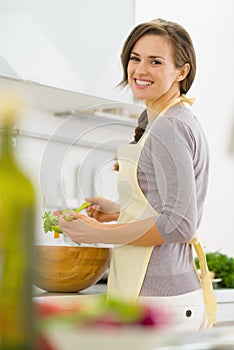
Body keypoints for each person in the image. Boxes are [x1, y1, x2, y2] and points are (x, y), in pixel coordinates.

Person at [58, 18, 216, 331]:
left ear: (182, 71)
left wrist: (97, 234)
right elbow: (166, 208)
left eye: (155, 61)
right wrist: (118, 211)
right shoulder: (159, 120)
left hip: (160, 299)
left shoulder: (170, 127)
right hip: (155, 296)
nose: (140, 70)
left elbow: (180, 224)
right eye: (135, 58)